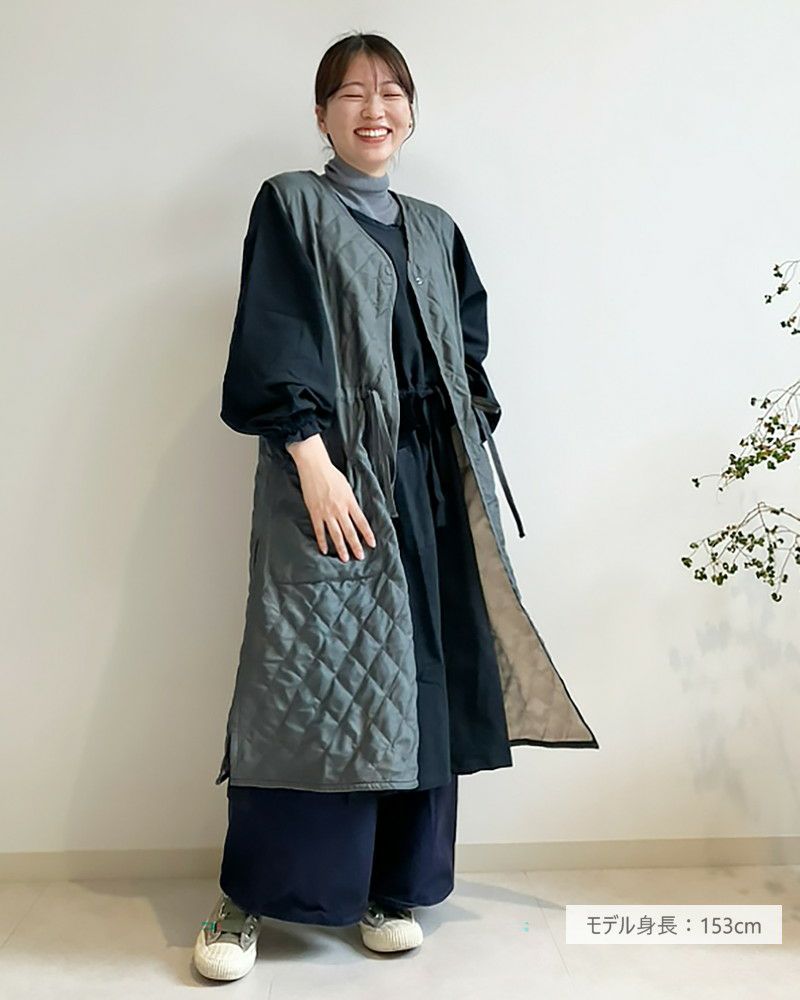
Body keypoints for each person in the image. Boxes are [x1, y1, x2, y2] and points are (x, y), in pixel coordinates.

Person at [193, 32, 597, 982]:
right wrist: (311, 458)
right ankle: (249, 900)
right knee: (306, 678)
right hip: (330, 478)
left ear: (411, 112)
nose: (374, 109)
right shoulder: (291, 203)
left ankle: (394, 887)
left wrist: (468, 432)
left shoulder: (436, 227)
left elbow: (466, 350)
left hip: (432, 488)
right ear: (322, 113)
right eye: (352, 93)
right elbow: (271, 336)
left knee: (420, 677)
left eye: (391, 92)